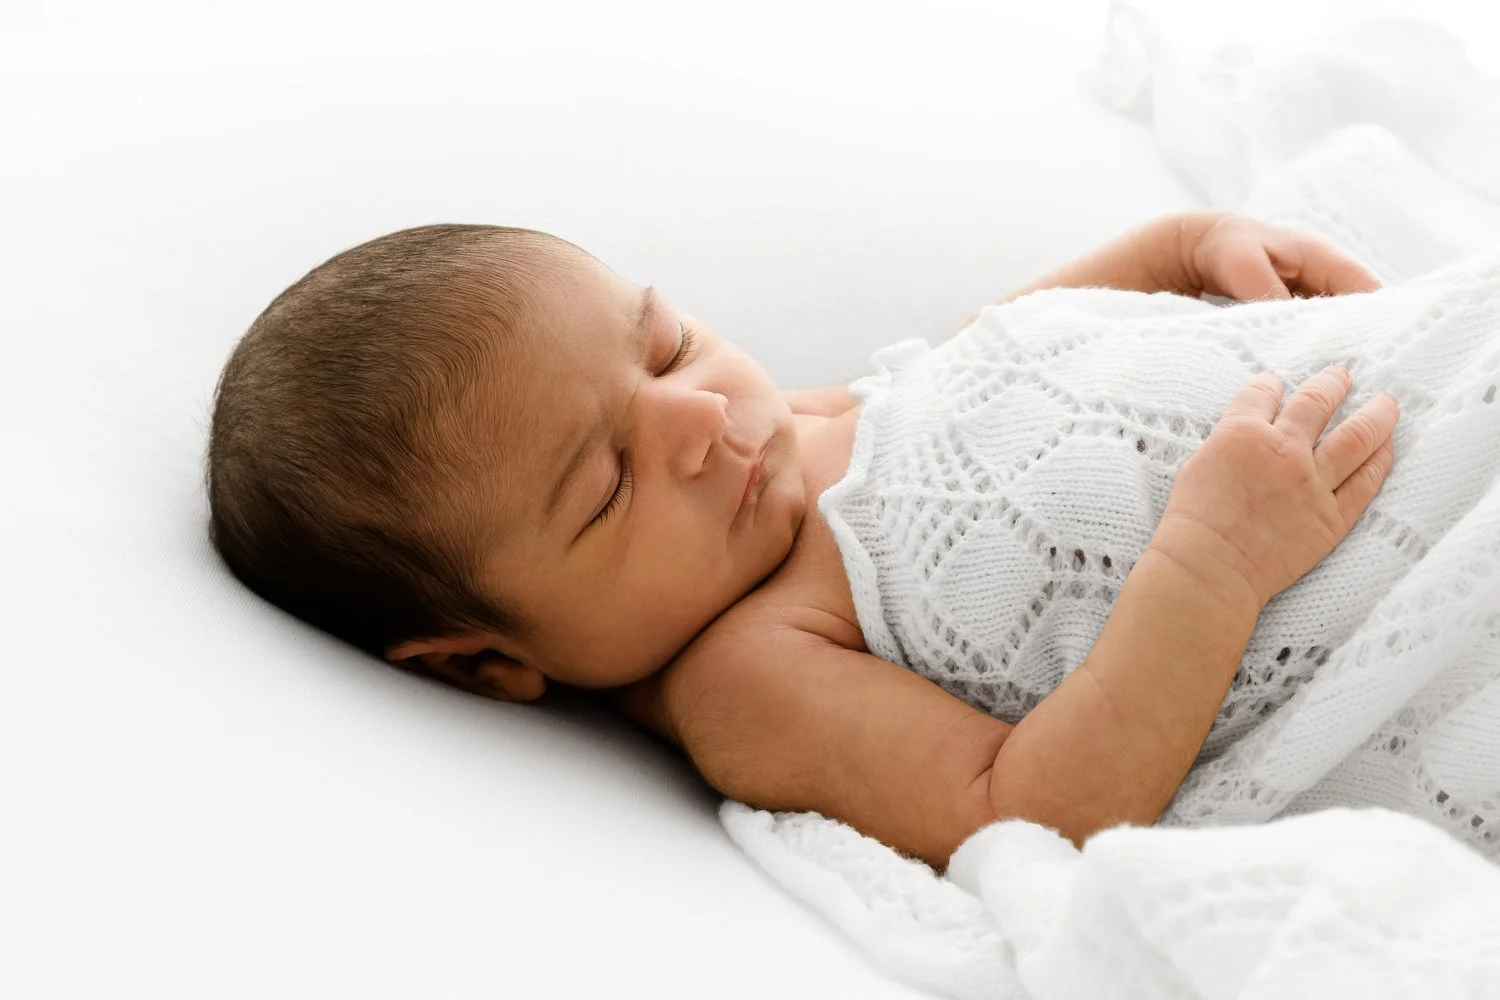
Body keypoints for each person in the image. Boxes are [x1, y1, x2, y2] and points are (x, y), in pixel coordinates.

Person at [206, 214, 1398, 871]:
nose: (700, 415)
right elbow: (1034, 809)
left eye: (665, 345)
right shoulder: (744, 673)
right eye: (608, 482)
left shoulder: (781, 442)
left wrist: (1172, 256)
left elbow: (971, 362)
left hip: (1339, 388)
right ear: (483, 661)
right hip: (1336, 556)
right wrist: (1214, 562)